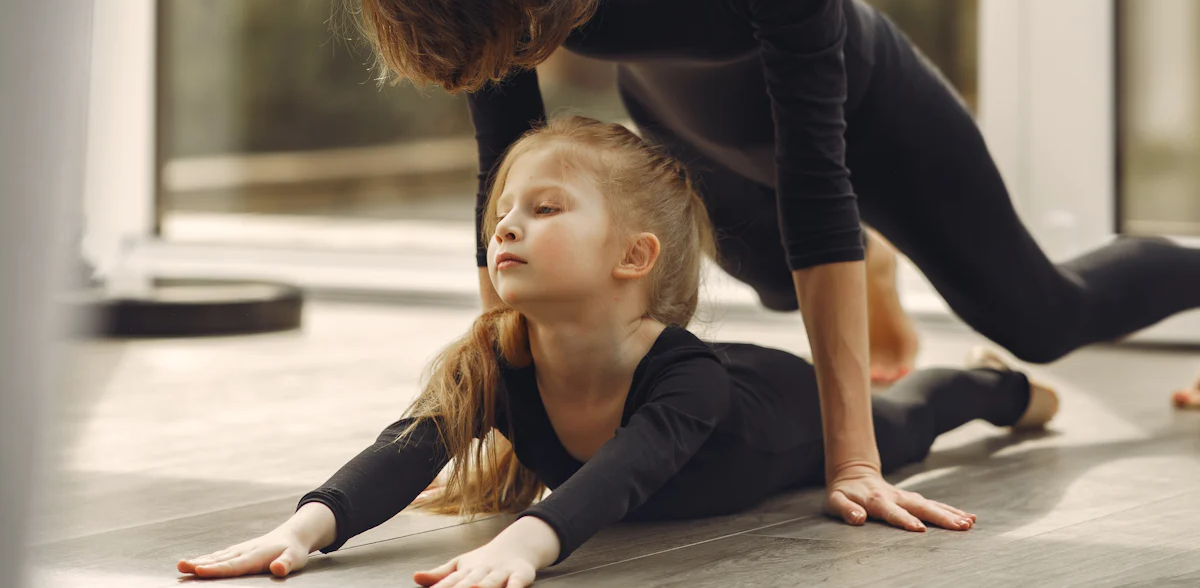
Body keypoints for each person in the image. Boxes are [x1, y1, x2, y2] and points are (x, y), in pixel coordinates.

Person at [335, 0, 1200, 521]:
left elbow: (817, 182)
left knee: (1039, 318)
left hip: (865, 120)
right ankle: (866, 265)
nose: (525, 29)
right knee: (785, 287)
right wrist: (510, 424)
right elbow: (506, 165)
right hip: (691, 127)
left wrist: (854, 459)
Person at [177, 118, 1058, 587]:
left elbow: (623, 474)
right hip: (708, 397)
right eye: (503, 213)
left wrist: (528, 544)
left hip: (774, 409)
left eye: (545, 209)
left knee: (905, 418)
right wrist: (302, 529)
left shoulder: (688, 376)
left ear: (634, 256)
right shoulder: (500, 358)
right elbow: (404, 450)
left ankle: (995, 384)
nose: (506, 226)